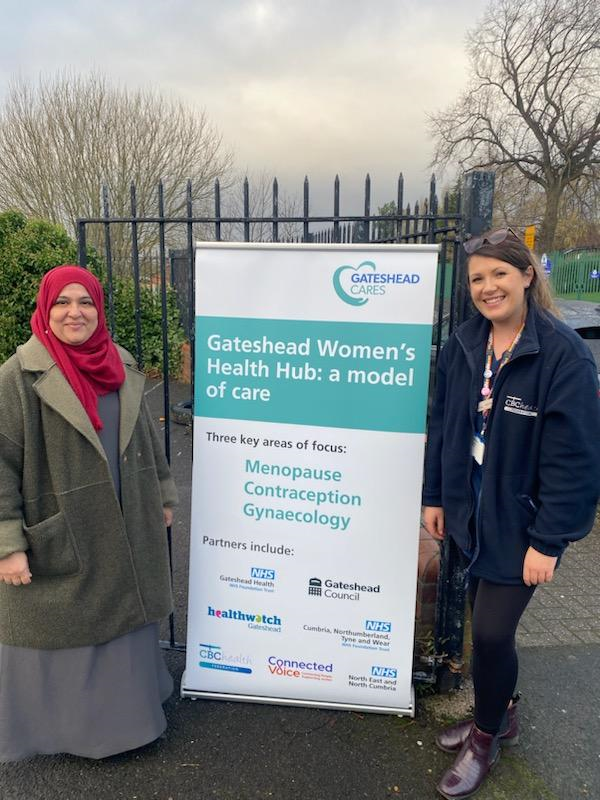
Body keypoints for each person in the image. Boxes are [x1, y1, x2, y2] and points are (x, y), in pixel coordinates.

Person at [422, 229, 600, 799]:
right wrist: (435, 496)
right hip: (469, 513)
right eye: (477, 277)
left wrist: (548, 541)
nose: (487, 287)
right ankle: (504, 711)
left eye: (500, 273)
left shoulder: (562, 354)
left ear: (527, 275)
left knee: (494, 633)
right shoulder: (465, 344)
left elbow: (576, 460)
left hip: (521, 523)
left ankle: (486, 737)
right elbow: (443, 427)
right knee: (484, 623)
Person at [0, 264, 177, 761]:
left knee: (123, 611)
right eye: (62, 303)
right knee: (70, 620)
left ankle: (131, 720)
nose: (74, 312)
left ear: (98, 310)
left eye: (85, 302)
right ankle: (63, 731)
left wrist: (162, 492)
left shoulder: (117, 363)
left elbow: (144, 437)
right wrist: (8, 544)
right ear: (45, 308)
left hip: (126, 513)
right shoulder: (17, 377)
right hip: (65, 523)